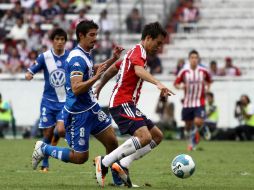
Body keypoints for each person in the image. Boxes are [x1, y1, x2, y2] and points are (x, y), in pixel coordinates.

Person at [31, 20, 124, 186]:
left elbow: (93, 68)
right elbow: (76, 88)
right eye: (92, 35)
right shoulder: (76, 59)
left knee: (112, 142)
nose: (95, 38)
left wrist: (113, 59)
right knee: (80, 158)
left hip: (92, 108)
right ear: (81, 35)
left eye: (96, 34)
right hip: (78, 113)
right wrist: (96, 79)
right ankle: (44, 149)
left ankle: (117, 180)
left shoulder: (85, 53)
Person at [94, 22, 174, 187]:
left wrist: (100, 86)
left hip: (127, 104)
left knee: (157, 136)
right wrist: (158, 83)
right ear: (148, 38)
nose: (159, 47)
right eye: (158, 43)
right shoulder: (139, 52)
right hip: (121, 102)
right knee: (144, 137)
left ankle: (123, 164)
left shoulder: (134, 53)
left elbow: (113, 70)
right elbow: (138, 71)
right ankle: (104, 162)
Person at [25, 28, 69, 172]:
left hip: (64, 102)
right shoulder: (44, 57)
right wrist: (29, 74)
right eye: (57, 39)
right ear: (52, 40)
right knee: (48, 133)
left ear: (65, 42)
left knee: (61, 131)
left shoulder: (69, 57)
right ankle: (45, 163)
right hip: (48, 102)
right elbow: (32, 68)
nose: (60, 42)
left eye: (62, 39)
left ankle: (56, 136)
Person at [174, 50, 212, 151]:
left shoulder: (203, 71)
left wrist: (207, 88)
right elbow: (176, 84)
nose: (194, 59)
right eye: (192, 57)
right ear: (189, 59)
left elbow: (209, 80)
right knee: (188, 127)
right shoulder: (184, 72)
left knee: (198, 121)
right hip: (187, 103)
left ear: (198, 59)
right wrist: (181, 86)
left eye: (196, 57)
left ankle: (203, 129)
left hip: (199, 102)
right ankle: (192, 142)